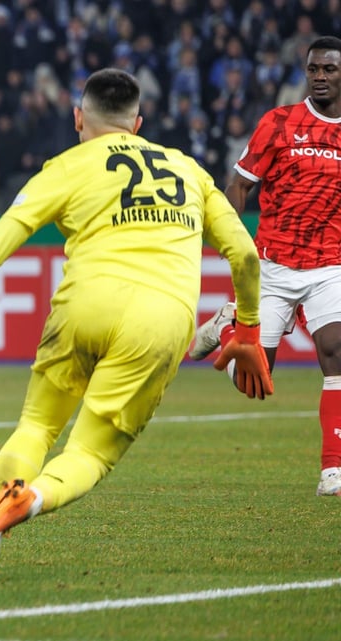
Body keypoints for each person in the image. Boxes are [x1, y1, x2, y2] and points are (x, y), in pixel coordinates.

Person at [0, 68, 272, 585]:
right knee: (90, 454)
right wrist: (249, 332)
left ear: (78, 117)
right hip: (161, 321)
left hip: (84, 305)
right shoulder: (188, 170)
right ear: (138, 124)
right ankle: (29, 501)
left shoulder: (66, 166)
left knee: (35, 428)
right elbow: (247, 256)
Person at [190, 36, 341, 498]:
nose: (319, 76)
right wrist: (236, 242)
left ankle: (333, 469)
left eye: (329, 69)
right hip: (272, 264)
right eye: (313, 69)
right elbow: (239, 187)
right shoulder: (279, 124)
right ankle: (230, 321)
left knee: (336, 353)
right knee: (254, 382)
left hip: (330, 265)